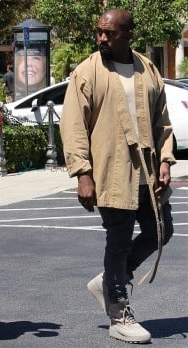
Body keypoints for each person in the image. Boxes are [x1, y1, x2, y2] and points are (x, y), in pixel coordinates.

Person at [60, 9, 175, 344]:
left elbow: (162, 122)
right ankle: (118, 313)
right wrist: (83, 173)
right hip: (111, 172)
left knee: (161, 232)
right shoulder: (87, 71)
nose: (101, 38)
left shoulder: (147, 68)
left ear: (128, 34)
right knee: (119, 242)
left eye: (109, 33)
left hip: (149, 173)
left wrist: (166, 160)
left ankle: (111, 279)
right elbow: (73, 126)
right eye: (99, 32)